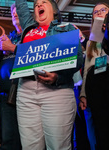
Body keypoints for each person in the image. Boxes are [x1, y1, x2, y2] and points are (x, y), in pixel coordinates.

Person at [14, 0, 83, 149]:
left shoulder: (67, 28)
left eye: (43, 2)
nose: (39, 5)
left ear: (54, 9)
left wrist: (58, 77)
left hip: (57, 92)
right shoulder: (28, 27)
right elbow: (20, 5)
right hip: (25, 92)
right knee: (30, 146)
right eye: (36, 4)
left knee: (58, 146)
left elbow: (77, 60)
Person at [0, 3, 22, 150]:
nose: (14, 14)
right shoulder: (10, 37)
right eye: (12, 12)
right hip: (5, 94)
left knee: (26, 137)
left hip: (25, 92)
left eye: (18, 11)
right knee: (7, 138)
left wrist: (11, 48)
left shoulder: (32, 36)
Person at [79, 2, 109, 150]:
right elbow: (87, 68)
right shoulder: (92, 41)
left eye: (103, 10)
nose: (99, 13)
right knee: (97, 134)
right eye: (95, 12)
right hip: (94, 92)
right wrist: (83, 94)